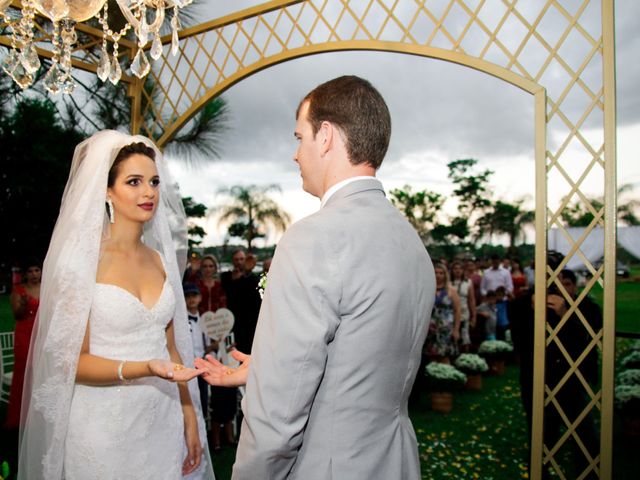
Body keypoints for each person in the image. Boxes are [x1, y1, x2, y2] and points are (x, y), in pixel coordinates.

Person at [197, 75, 436, 479]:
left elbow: (278, 417)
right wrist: (272, 366)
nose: (295, 154)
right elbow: (362, 361)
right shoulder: (410, 241)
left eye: (299, 137)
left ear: (325, 136)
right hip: (393, 462)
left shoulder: (314, 238)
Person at [17, 131, 214, 479]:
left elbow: (171, 349)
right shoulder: (80, 263)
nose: (149, 192)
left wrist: (188, 414)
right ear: (107, 190)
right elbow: (71, 362)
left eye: (153, 181)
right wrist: (145, 368)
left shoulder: (160, 261)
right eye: (134, 181)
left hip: (162, 418)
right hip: (103, 429)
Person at [510, 254, 600, 479]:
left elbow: (587, 344)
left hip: (573, 381)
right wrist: (533, 312)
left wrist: (564, 316)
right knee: (540, 437)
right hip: (537, 381)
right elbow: (521, 344)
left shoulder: (586, 308)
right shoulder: (521, 304)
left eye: (556, 273)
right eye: (544, 273)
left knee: (584, 435)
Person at [4, 261, 41, 430]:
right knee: (24, 372)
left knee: (42, 371)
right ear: (25, 274)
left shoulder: (47, 287)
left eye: (37, 270)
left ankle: (40, 411)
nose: (34, 274)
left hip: (42, 333)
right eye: (31, 271)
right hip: (24, 334)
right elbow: (16, 315)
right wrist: (24, 305)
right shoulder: (18, 290)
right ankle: (20, 415)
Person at [221, 249, 261, 354]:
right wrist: (235, 280)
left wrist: (246, 273)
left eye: (242, 259)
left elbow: (256, 292)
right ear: (232, 261)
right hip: (233, 323)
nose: (239, 262)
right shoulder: (226, 276)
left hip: (250, 324)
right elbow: (227, 291)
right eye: (236, 259)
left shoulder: (253, 277)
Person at [425, 263, 461, 363]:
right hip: (430, 330)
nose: (438, 275)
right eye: (436, 273)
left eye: (441, 273)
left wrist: (456, 330)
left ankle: (445, 377)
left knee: (444, 356)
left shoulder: (451, 291)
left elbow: (457, 310)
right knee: (431, 356)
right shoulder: (427, 289)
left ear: (445, 275)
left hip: (445, 330)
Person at [450, 260, 476, 353]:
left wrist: (474, 316)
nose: (457, 271)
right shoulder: (448, 283)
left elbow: (471, 300)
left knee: (465, 337)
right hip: (451, 313)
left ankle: (465, 356)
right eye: (455, 269)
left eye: (460, 268)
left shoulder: (468, 282)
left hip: (464, 312)